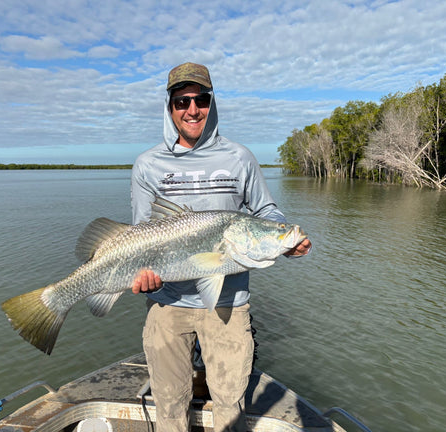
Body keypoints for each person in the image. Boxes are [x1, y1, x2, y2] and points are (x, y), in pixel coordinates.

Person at [130, 62, 311, 432]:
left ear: (212, 104)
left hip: (230, 304)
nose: (192, 110)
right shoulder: (147, 164)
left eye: (201, 100)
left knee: (230, 406)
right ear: (170, 107)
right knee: (169, 406)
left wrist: (284, 238)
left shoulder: (240, 157)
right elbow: (141, 232)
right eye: (182, 102)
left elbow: (264, 210)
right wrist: (144, 277)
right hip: (167, 305)